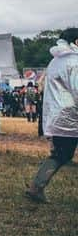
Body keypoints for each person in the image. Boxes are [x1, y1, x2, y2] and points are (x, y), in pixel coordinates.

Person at [25, 28, 78, 202]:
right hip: (70, 115)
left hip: (58, 115)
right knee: (62, 155)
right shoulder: (74, 62)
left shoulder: (55, 61)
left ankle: (36, 187)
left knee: (61, 154)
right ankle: (36, 188)